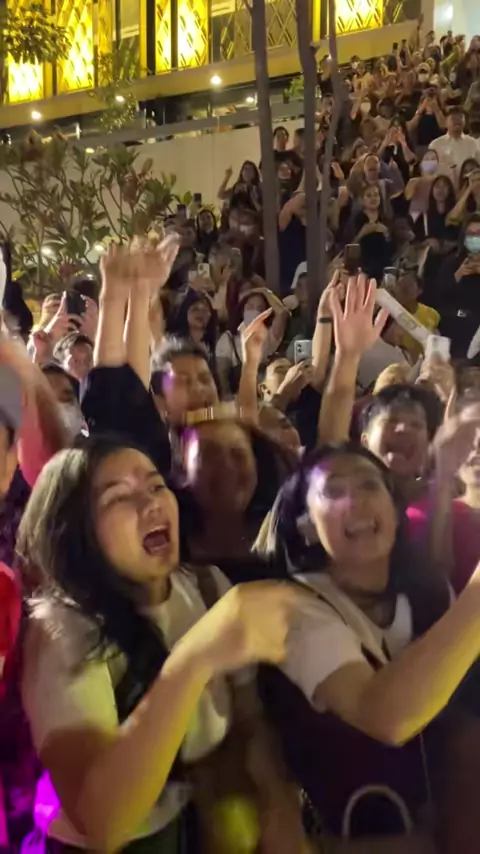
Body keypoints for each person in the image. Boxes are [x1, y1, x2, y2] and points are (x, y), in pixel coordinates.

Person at [17, 436, 305, 853]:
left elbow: (249, 718)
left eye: (156, 486)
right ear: (76, 529)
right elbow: (103, 820)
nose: (151, 503)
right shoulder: (63, 631)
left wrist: (277, 805)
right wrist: (195, 658)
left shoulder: (206, 586)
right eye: (119, 497)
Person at [256, 441, 480, 845]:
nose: (355, 501)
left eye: (368, 486)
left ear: (394, 508)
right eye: (334, 491)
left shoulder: (429, 592)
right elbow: (387, 717)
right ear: (306, 526)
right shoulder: (294, 610)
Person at [428, 107, 479, 183]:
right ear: (446, 122)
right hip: (443, 186)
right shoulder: (435, 144)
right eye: (453, 118)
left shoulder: (473, 143)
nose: (457, 121)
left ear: (465, 122)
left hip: (468, 185)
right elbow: (427, 170)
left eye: (460, 117)